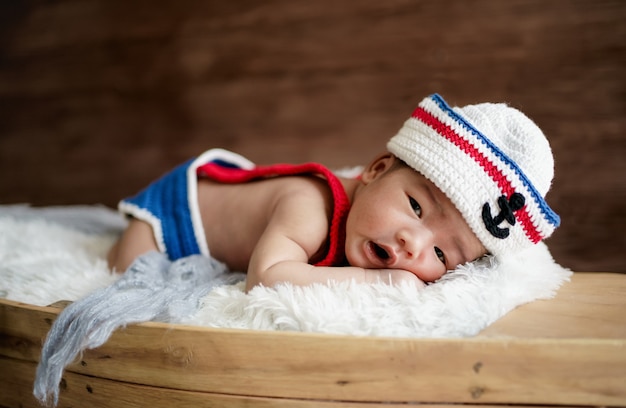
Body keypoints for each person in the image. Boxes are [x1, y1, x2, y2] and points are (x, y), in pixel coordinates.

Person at [107, 93, 560, 291]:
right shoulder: (310, 207)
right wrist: (382, 282)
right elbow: (265, 277)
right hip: (176, 216)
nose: (413, 245)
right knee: (127, 273)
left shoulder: (370, 226)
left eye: (443, 256)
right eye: (416, 206)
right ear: (377, 169)